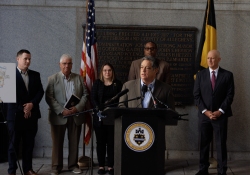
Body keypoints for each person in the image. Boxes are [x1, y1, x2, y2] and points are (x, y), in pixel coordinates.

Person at [45, 54, 88, 175]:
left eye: (69, 63)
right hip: (59, 116)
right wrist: (61, 110)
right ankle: (56, 167)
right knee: (57, 143)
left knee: (74, 142)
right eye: (64, 63)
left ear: (72, 65)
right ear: (60, 65)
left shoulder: (79, 78)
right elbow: (49, 97)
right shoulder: (52, 79)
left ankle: (73, 165)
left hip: (75, 115)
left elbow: (85, 94)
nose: (67, 66)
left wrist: (78, 108)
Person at [193, 50, 235, 175]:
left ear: (219, 59)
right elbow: (196, 96)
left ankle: (222, 170)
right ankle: (203, 169)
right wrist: (206, 111)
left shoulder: (228, 75)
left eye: (213, 58)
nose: (210, 60)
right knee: (204, 143)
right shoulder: (200, 75)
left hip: (220, 116)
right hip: (204, 116)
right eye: (208, 58)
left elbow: (230, 95)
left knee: (221, 144)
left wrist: (220, 111)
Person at [6, 49, 44, 175]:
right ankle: (12, 171)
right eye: (25, 59)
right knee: (13, 146)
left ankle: (28, 169)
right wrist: (23, 108)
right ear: (18, 59)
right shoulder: (8, 74)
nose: (28, 61)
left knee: (29, 145)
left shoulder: (35, 75)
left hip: (31, 116)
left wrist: (31, 104)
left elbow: (40, 92)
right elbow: (8, 97)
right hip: (15, 116)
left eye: (29, 59)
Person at [90, 63, 123, 175]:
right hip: (100, 117)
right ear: (102, 72)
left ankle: (110, 166)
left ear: (112, 72)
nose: (107, 72)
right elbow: (93, 98)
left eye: (109, 70)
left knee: (111, 143)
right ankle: (101, 166)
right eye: (105, 70)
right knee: (100, 143)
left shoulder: (117, 84)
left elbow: (121, 100)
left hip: (113, 118)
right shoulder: (97, 83)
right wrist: (97, 108)